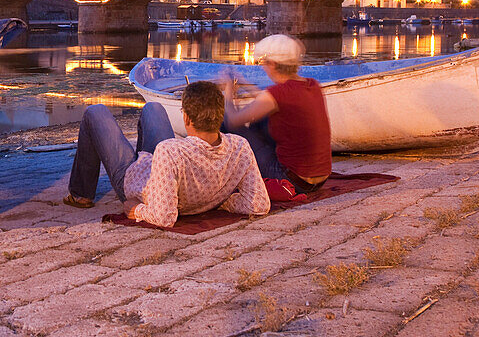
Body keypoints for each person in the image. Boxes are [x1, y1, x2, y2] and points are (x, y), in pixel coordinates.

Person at [64, 81, 269, 228]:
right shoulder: (240, 146)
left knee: (95, 112)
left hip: (132, 179)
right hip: (159, 168)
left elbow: (164, 218)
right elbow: (259, 204)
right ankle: (81, 192)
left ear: (187, 118)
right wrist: (222, 201)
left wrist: (136, 210)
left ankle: (80, 194)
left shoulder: (169, 150)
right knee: (154, 107)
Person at [220, 34, 332, 193]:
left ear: (272, 64)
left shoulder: (276, 94)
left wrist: (228, 92)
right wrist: (245, 84)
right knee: (263, 117)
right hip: (319, 179)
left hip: (291, 181)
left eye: (263, 63)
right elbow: (269, 100)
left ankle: (220, 179)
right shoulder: (312, 85)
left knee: (223, 121)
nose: (263, 67)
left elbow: (233, 120)